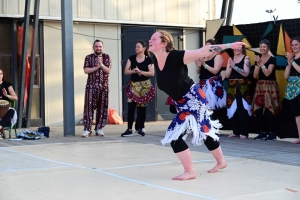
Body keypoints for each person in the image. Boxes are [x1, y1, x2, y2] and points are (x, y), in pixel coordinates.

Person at [149, 30, 246, 180]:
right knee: (204, 129)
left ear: (164, 44)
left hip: (193, 98)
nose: (150, 40)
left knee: (174, 135)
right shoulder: (155, 60)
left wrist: (229, 45)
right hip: (182, 102)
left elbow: (203, 51)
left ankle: (190, 171)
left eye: (153, 39)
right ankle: (221, 161)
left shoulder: (175, 56)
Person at [121, 41, 155, 137]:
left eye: (138, 47)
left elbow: (152, 73)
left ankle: (141, 127)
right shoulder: (131, 58)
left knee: (142, 108)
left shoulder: (149, 59)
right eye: (136, 47)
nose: (136, 48)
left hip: (144, 87)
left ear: (144, 48)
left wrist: (141, 72)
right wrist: (134, 71)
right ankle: (129, 129)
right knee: (131, 108)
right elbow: (126, 71)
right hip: (133, 86)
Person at [82, 39, 112, 137]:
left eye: (100, 46)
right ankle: (87, 129)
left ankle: (99, 128)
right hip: (91, 87)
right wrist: (96, 67)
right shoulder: (88, 57)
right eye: (96, 46)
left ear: (102, 47)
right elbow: (86, 70)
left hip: (103, 87)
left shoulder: (106, 57)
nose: (98, 48)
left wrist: (101, 65)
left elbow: (108, 71)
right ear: (93, 47)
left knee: (102, 108)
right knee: (88, 108)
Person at [252, 39, 281, 141]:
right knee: (258, 109)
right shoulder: (258, 59)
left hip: (270, 86)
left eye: (264, 47)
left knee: (270, 109)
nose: (262, 48)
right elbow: (255, 76)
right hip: (260, 85)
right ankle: (262, 132)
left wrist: (262, 64)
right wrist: (257, 65)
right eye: (261, 47)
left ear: (268, 48)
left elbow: (268, 73)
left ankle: (272, 133)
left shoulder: (272, 59)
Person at [225, 43, 252, 139]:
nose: (236, 50)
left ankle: (244, 132)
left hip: (241, 86)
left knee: (242, 109)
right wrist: (230, 65)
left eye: (239, 48)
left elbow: (246, 73)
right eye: (235, 48)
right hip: (232, 86)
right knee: (232, 108)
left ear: (242, 49)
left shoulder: (246, 58)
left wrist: (234, 66)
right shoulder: (230, 59)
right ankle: (235, 131)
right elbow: (227, 75)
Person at [195, 39, 225, 119]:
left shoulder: (218, 57)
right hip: (203, 84)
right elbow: (198, 72)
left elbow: (215, 71)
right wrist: (199, 66)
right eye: (206, 46)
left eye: (209, 46)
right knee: (203, 107)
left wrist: (204, 64)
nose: (207, 48)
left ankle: (215, 127)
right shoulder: (204, 57)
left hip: (213, 86)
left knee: (213, 107)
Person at [285, 37, 300, 144]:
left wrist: (293, 62)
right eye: (292, 45)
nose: (294, 47)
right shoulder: (292, 59)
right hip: (292, 88)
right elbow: (286, 76)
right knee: (297, 113)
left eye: (296, 44)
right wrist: (289, 65)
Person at [0, 69, 18, 139]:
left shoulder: (7, 85)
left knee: (12, 111)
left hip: (5, 110)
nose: (0, 75)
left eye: (1, 74)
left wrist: (7, 95)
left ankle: (0, 127)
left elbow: (15, 98)